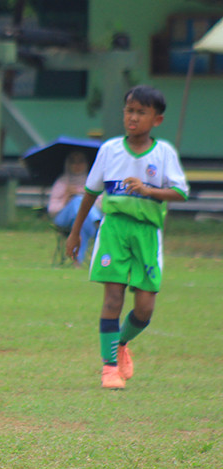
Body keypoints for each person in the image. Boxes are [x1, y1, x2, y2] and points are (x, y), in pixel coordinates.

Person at [66, 85, 188, 390]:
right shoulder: (109, 150)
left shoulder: (163, 154)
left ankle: (121, 344)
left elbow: (180, 193)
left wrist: (149, 191)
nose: (133, 118)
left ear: (156, 120)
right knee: (113, 298)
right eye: (129, 111)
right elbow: (90, 193)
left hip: (146, 233)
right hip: (114, 230)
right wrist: (75, 232)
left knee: (145, 308)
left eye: (141, 112)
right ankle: (109, 369)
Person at [48, 150, 101, 267]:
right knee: (78, 201)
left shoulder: (93, 182)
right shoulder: (62, 182)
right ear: (68, 164)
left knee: (82, 221)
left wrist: (86, 195)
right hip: (63, 219)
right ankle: (95, 220)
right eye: (73, 162)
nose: (77, 165)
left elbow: (103, 204)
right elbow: (52, 209)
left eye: (80, 162)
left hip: (82, 222)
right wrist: (67, 197)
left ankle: (77, 260)